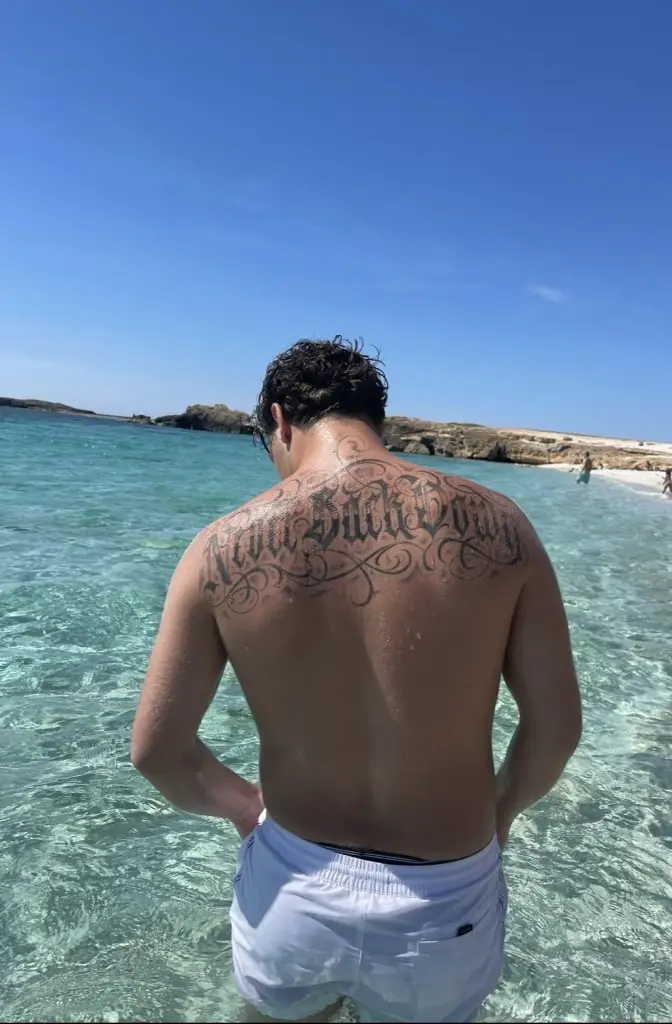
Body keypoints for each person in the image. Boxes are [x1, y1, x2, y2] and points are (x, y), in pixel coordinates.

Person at [131, 337, 582, 1024]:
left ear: (279, 420)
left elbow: (158, 751)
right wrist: (502, 811)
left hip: (291, 891)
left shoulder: (217, 549)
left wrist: (244, 808)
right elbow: (555, 727)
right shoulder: (501, 528)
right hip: (445, 904)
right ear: (379, 420)